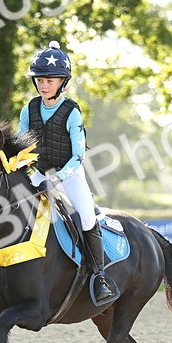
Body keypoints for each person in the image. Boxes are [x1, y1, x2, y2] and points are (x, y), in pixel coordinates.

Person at [18, 41, 119, 305]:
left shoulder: (71, 111)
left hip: (68, 174)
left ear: (62, 82)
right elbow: (22, 145)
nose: (43, 84)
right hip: (38, 172)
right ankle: (1, 271)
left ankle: (100, 277)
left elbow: (78, 156)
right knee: (11, 204)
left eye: (49, 80)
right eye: (39, 79)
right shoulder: (28, 109)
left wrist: (59, 178)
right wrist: (20, 166)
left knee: (86, 217)